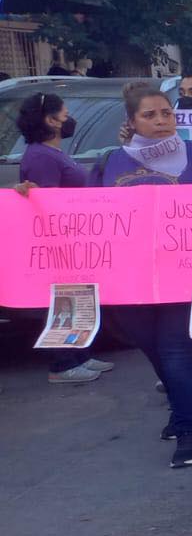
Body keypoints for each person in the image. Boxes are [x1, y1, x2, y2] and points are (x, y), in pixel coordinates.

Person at [95, 82, 192, 466]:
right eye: (150, 115)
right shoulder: (109, 163)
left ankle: (191, 431)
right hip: (130, 280)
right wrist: (30, 195)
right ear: (131, 121)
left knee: (178, 349)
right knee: (152, 346)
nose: (160, 121)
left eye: (166, 114)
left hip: (187, 277)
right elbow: (80, 213)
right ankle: (182, 404)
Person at [13, 92, 115, 386]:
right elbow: (50, 205)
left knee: (79, 298)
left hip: (74, 240)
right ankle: (61, 363)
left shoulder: (50, 152)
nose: (70, 119)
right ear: (51, 120)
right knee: (62, 302)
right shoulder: (41, 156)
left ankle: (80, 354)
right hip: (60, 244)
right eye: (66, 113)